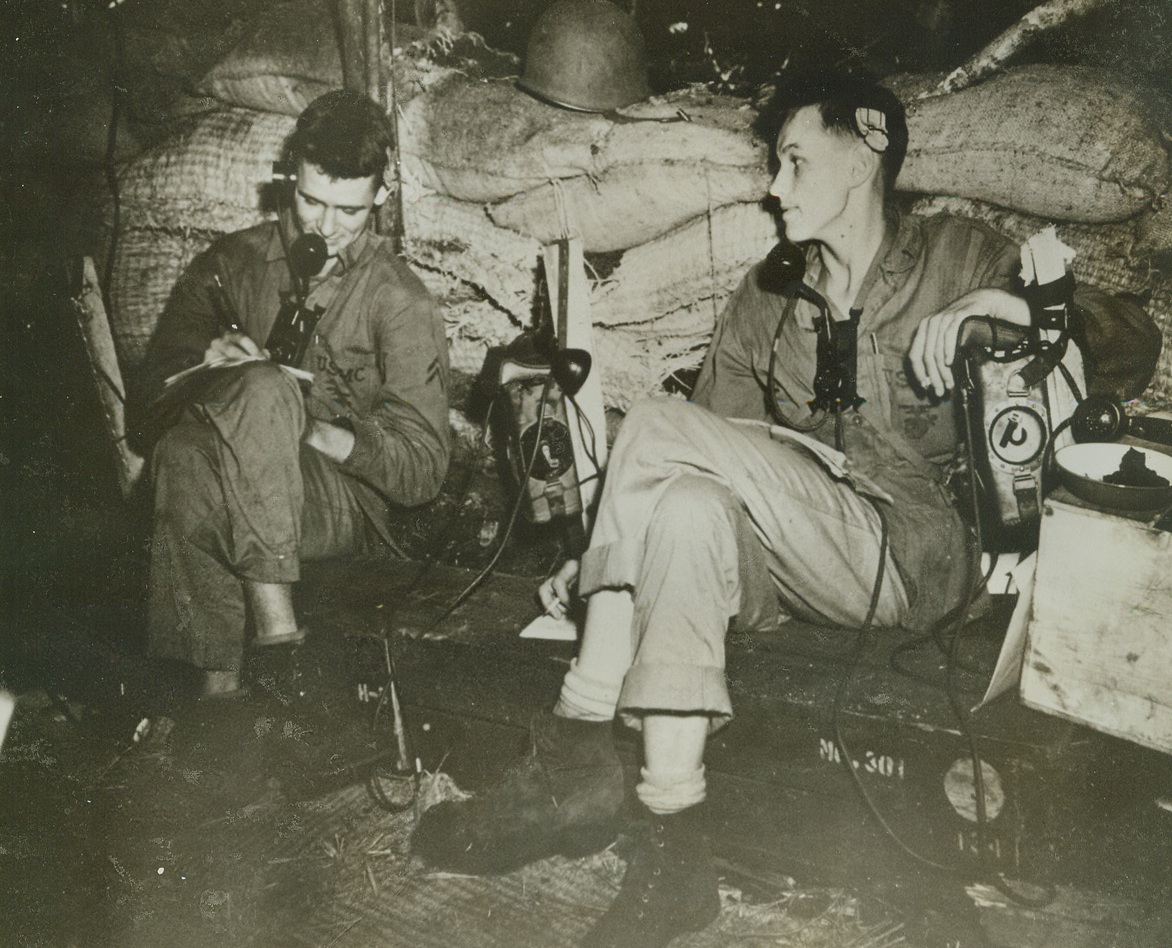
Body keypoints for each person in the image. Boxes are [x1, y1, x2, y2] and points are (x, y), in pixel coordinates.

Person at [410, 71, 1159, 948]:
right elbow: (702, 444)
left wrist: (1010, 306)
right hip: (794, 563)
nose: (775, 186)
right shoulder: (771, 292)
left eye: (796, 160)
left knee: (652, 424)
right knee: (686, 505)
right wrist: (610, 554)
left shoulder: (959, 253)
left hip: (914, 557)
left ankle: (575, 743)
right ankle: (674, 851)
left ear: (868, 149)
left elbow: (1131, 348)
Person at [134, 90, 450, 700]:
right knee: (183, 453)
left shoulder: (401, 302)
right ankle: (219, 692)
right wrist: (206, 364)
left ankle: (275, 645)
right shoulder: (234, 262)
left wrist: (305, 427)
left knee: (263, 390)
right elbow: (147, 406)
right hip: (234, 484)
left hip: (335, 506)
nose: (326, 227)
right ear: (289, 181)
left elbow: (422, 472)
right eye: (310, 201)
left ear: (381, 198)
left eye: (350, 211)